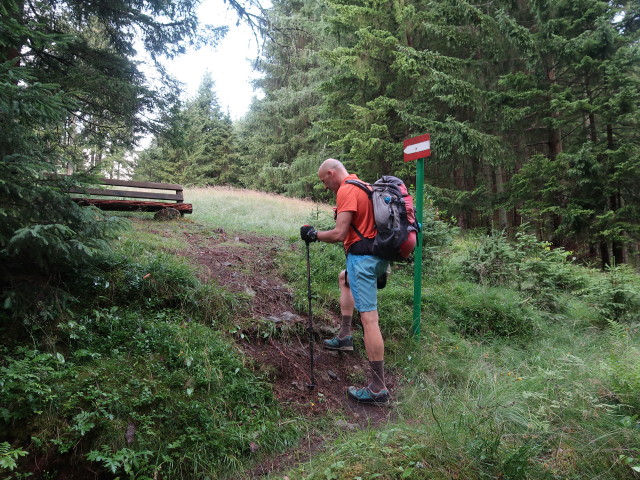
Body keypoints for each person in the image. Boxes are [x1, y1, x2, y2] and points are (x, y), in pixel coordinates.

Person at [300, 158, 390, 404]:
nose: (325, 186)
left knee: (370, 320)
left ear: (331, 173)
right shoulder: (364, 186)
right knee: (344, 278)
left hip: (363, 261)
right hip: (376, 257)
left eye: (323, 180)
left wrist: (313, 234)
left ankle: (377, 388)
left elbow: (340, 233)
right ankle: (345, 336)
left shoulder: (348, 189)